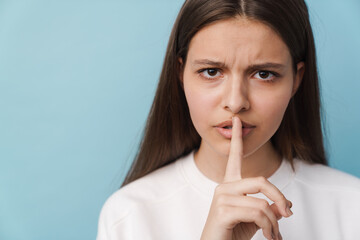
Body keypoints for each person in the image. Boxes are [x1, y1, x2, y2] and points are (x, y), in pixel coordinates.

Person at [96, 0, 360, 239]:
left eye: (264, 74)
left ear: (296, 80)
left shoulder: (351, 207)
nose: (235, 102)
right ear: (180, 74)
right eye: (211, 71)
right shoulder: (129, 216)